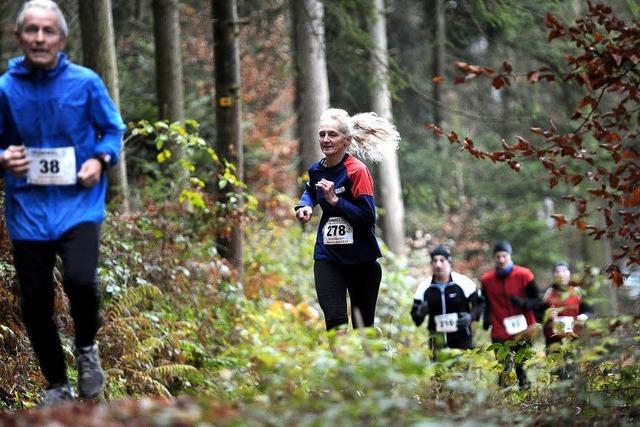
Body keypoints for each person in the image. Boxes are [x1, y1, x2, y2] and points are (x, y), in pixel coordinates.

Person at [0, 0, 124, 405]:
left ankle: (87, 349)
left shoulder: (86, 82)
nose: (39, 38)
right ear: (19, 37)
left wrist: (100, 159)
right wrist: (3, 157)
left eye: (47, 30)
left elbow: (112, 131)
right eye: (31, 30)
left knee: (80, 281)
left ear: (61, 38)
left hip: (79, 205)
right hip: (28, 210)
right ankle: (57, 385)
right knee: (35, 300)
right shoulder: (4, 87)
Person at [294, 108, 399, 331]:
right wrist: (304, 205)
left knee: (363, 328)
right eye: (322, 134)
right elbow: (311, 190)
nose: (326, 139)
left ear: (347, 140)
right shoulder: (316, 170)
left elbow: (368, 218)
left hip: (361, 260)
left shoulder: (357, 171)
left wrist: (335, 201)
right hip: (328, 257)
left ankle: (375, 358)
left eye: (332, 134)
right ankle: (343, 366)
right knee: (334, 321)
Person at [481, 240, 542, 388]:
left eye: (504, 256)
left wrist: (523, 302)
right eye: (497, 257)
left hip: (524, 328)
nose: (501, 260)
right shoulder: (487, 280)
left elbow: (537, 301)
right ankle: (504, 401)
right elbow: (486, 303)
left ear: (510, 255)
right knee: (503, 368)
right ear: (494, 258)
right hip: (499, 328)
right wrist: (486, 319)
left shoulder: (524, 275)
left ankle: (526, 395)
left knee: (522, 367)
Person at [410, 245, 484, 354]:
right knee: (439, 371)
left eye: (442, 260)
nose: (438, 264)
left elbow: (481, 303)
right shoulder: (424, 287)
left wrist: (471, 317)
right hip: (437, 343)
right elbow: (416, 318)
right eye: (434, 261)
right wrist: (420, 312)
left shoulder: (463, 282)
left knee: (461, 370)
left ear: (449, 262)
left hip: (462, 341)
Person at [542, 262, 592, 378]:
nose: (561, 274)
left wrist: (584, 316)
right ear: (553, 275)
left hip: (573, 337)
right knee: (556, 373)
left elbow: (589, 310)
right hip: (553, 339)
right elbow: (538, 314)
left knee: (572, 370)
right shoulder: (547, 293)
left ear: (569, 274)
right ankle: (558, 395)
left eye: (564, 270)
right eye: (557, 271)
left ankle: (573, 394)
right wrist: (547, 315)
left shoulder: (578, 291)